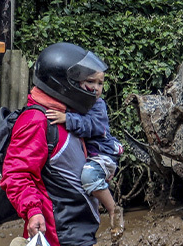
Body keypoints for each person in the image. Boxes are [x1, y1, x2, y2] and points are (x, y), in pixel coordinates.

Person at [1, 42, 116, 246]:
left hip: (66, 224)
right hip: (61, 228)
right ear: (64, 85)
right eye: (85, 83)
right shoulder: (37, 121)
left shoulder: (67, 114)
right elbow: (17, 173)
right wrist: (33, 210)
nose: (92, 90)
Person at [44, 67, 125, 232]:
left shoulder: (98, 104)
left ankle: (113, 210)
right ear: (77, 83)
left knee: (88, 176)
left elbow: (93, 125)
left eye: (100, 83)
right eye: (90, 81)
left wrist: (67, 119)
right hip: (89, 157)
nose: (96, 87)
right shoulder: (75, 102)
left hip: (102, 154)